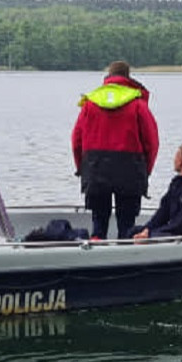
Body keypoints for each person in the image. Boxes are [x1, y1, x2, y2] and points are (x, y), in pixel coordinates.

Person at [71, 61, 159, 240]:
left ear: (108, 77)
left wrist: (82, 168)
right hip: (130, 169)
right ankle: (125, 259)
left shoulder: (89, 103)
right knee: (127, 225)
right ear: (128, 78)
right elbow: (152, 142)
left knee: (98, 222)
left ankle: (95, 256)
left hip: (95, 167)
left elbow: (76, 140)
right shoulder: (137, 104)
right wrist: (145, 171)